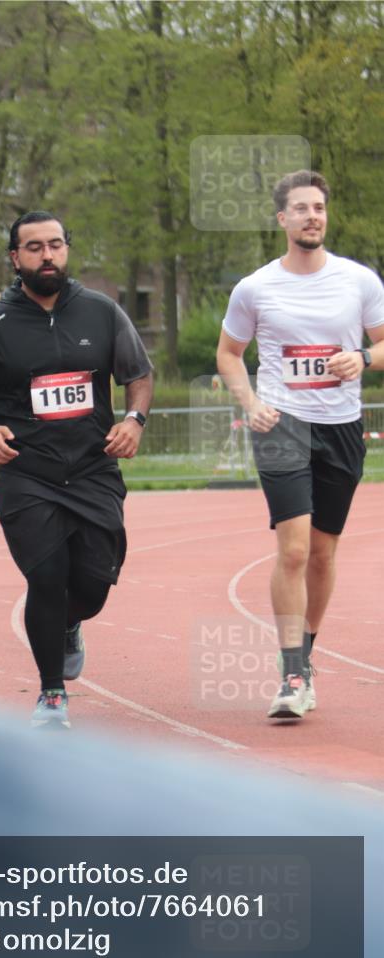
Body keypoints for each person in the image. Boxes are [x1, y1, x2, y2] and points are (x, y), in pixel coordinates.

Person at [0, 211, 153, 728]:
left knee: (92, 586)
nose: (47, 255)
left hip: (92, 468)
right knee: (46, 576)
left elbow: (139, 374)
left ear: (67, 250)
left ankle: (69, 626)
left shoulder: (102, 312)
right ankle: (51, 694)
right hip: (26, 472)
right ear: (15, 258)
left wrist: (134, 419)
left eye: (56, 245)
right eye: (34, 247)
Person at [217, 170, 384, 721]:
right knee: (291, 549)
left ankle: (305, 653)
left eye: (319, 207)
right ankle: (291, 674)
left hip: (342, 427)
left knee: (321, 552)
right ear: (282, 219)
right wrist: (249, 402)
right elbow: (228, 353)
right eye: (301, 208)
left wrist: (361, 358)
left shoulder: (359, 281)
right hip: (282, 425)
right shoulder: (256, 287)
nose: (312, 215)